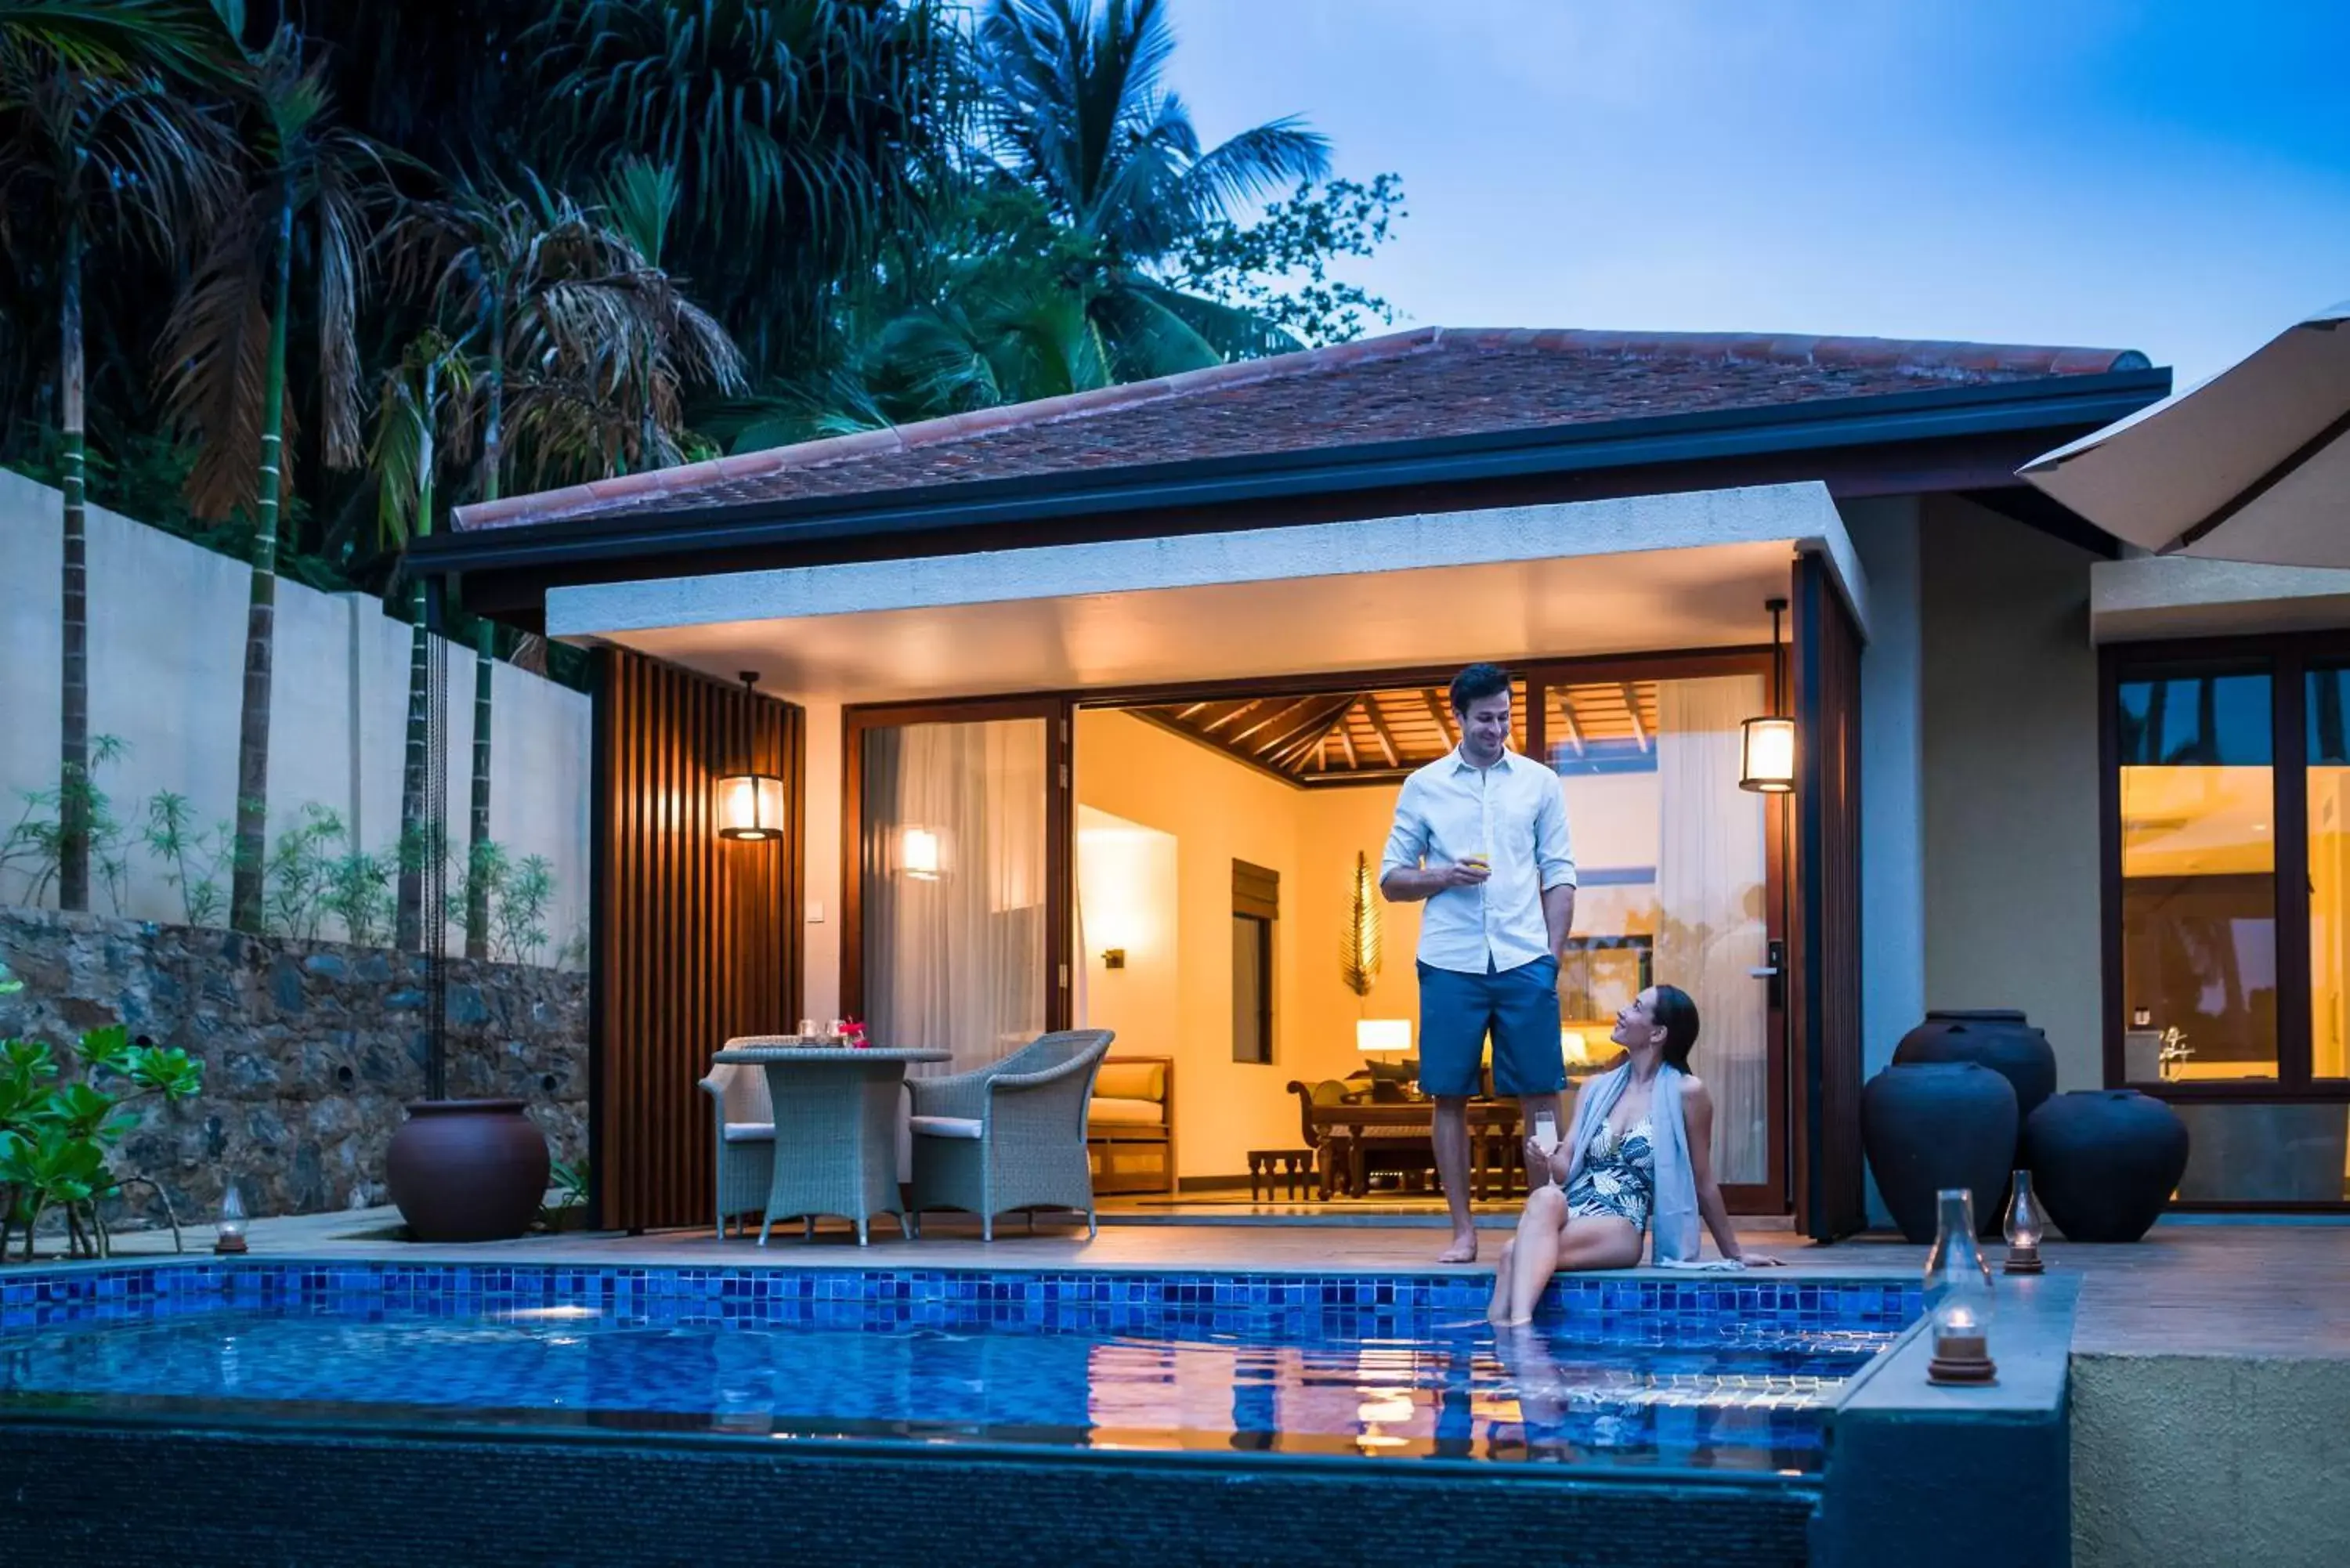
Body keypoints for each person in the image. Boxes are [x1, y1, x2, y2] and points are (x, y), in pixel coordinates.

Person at [1379, 663, 1575, 1264]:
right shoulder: (1424, 786)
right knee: (1447, 1096)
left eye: (1504, 716)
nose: (1498, 728)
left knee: (1541, 1099)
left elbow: (1560, 874)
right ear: (1458, 717)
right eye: (1485, 718)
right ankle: (1463, 1232)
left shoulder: (1540, 784)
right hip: (1449, 961)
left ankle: (1544, 1226)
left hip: (1523, 960)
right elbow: (1391, 879)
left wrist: (1551, 959)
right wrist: (1442, 875)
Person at [1488, 984, 1780, 1327]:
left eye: (1637, 1007)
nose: (1623, 1011)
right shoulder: (1596, 1087)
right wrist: (1545, 1156)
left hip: (1620, 1223)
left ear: (1658, 1033)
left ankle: (1509, 1344)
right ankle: (1518, 1331)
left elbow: (1702, 1180)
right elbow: (1565, 1168)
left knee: (1515, 1252)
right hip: (1573, 1209)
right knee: (1542, 1202)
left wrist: (1735, 1253)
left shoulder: (1688, 1093)